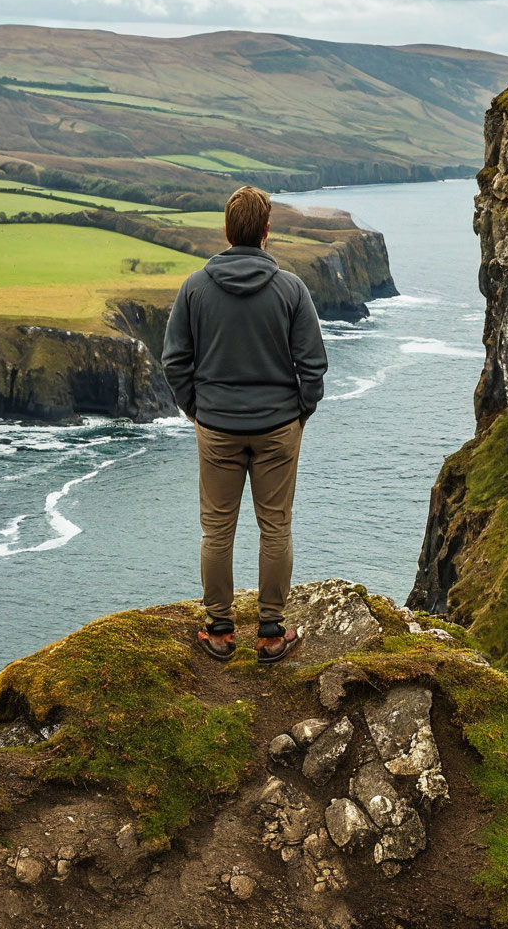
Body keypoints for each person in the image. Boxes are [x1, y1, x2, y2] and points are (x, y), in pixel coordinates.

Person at [161, 185, 328, 664]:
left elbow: (176, 361)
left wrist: (197, 409)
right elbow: (313, 364)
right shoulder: (291, 289)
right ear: (267, 230)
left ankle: (219, 630)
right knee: (275, 527)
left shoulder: (195, 287)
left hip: (217, 427)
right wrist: (299, 413)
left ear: (227, 230)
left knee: (217, 530)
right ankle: (272, 632)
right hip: (278, 426)